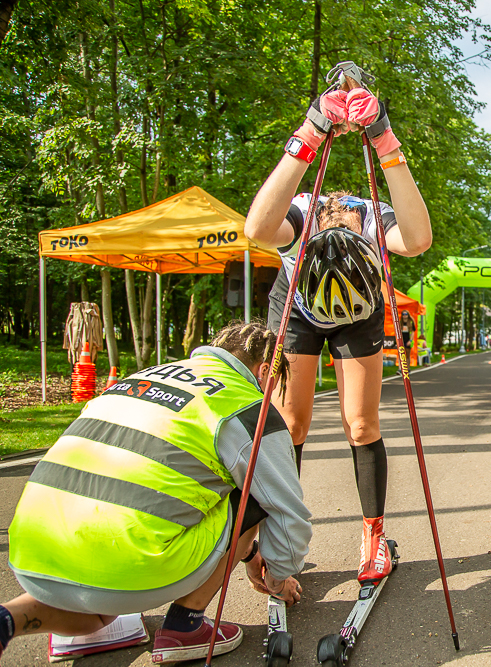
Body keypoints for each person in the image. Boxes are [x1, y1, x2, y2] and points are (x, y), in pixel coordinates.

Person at [1, 321, 310, 662]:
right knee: (254, 489)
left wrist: (250, 555)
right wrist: (279, 579)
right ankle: (185, 625)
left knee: (101, 607)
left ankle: (9, 619)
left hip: (33, 554)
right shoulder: (247, 405)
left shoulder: (141, 376)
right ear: (265, 369)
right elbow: (287, 512)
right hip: (129, 565)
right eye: (276, 383)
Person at [244, 75, 432, 586]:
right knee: (291, 423)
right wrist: (311, 129)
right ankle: (277, 535)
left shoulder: (372, 214)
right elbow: (257, 228)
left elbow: (416, 240)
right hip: (298, 308)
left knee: (361, 425)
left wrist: (385, 141)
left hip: (360, 310)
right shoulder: (302, 212)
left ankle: (373, 537)